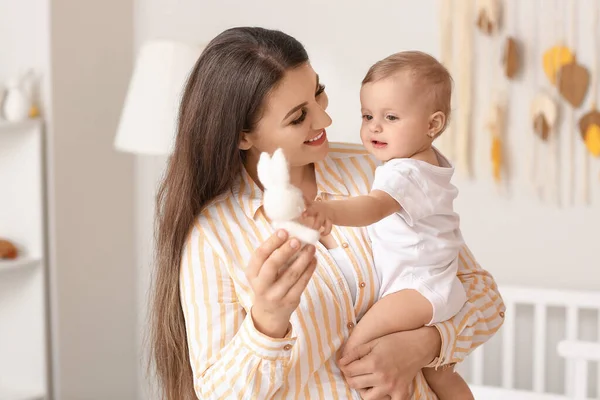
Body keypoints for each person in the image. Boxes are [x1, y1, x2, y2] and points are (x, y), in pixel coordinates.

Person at [150, 26, 505, 400]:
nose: (325, 121)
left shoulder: (379, 168)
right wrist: (267, 323)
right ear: (243, 136)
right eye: (298, 116)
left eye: (319, 92)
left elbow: (483, 298)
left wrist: (425, 345)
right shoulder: (215, 235)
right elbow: (216, 394)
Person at [304, 51, 472, 399]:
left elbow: (373, 207)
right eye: (367, 116)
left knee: (358, 350)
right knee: (439, 375)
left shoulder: (407, 174)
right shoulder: (424, 164)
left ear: (432, 125)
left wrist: (331, 211)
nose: (374, 127)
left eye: (391, 117)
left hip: (418, 289)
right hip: (431, 286)